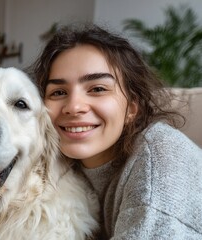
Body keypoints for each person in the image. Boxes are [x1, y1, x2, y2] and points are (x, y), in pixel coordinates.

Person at [29, 23, 202, 239]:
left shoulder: (160, 159)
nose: (73, 106)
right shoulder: (49, 162)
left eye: (98, 89)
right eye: (58, 92)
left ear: (131, 108)